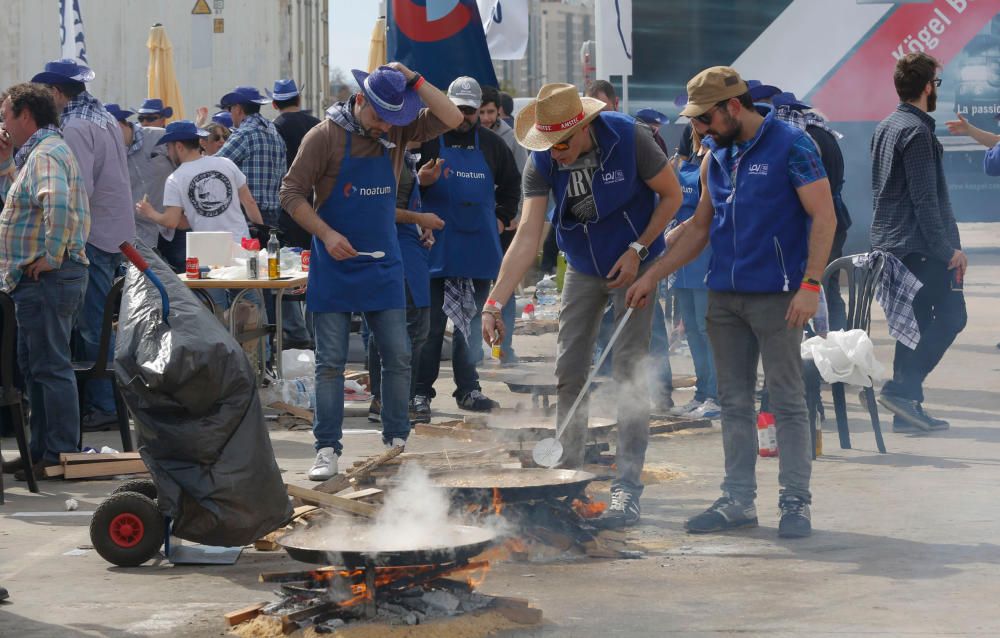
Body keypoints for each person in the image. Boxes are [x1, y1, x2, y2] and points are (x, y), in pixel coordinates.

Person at [626, 66, 837, 539]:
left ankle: (795, 502)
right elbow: (700, 226)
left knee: (786, 401)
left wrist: (811, 284)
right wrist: (653, 274)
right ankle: (738, 500)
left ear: (733, 107)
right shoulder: (713, 157)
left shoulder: (792, 145)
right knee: (734, 401)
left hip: (779, 296)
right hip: (725, 296)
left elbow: (823, 216)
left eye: (703, 118)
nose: (696, 129)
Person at [482, 83, 683, 528]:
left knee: (631, 374)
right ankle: (565, 481)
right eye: (548, 146)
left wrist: (639, 248)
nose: (556, 154)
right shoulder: (542, 161)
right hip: (582, 267)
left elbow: (673, 196)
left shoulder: (631, 139)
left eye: (563, 145)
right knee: (569, 371)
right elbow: (528, 235)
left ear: (586, 126)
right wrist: (494, 302)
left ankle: (627, 487)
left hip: (635, 262)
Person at [280, 63, 462, 480]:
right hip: (335, 265)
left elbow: (452, 117)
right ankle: (327, 447)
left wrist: (416, 79)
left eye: (392, 118)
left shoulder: (397, 132)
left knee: (398, 356)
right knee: (330, 363)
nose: (385, 126)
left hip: (383, 264)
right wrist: (326, 234)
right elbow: (290, 193)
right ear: (360, 100)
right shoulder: (323, 137)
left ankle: (396, 441)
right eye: (379, 116)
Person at [31, 58, 136, 432]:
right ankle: (108, 402)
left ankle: (104, 405)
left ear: (57, 92)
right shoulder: (104, 118)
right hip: (112, 232)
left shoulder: (75, 127)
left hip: (92, 235)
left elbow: (78, 191)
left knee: (92, 328)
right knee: (101, 325)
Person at [412, 76, 521, 418]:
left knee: (471, 325)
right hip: (434, 247)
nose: (463, 117)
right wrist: (422, 184)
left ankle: (469, 389)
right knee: (429, 327)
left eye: (469, 112)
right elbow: (406, 187)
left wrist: (502, 218)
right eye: (457, 110)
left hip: (477, 247)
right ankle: (419, 393)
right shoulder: (427, 141)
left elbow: (512, 185)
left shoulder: (492, 145)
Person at [871, 52, 967, 432]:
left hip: (894, 245)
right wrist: (948, 251)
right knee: (951, 316)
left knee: (912, 326)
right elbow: (924, 199)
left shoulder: (887, 125)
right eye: (936, 84)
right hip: (919, 248)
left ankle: (906, 412)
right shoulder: (917, 132)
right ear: (928, 87)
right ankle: (901, 390)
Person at [0, 82, 90, 479]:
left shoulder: (47, 153)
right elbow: (23, 203)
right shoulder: (39, 153)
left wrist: (52, 255)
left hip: (48, 278)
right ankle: (40, 450)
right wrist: (6, 165)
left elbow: (56, 201)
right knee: (35, 365)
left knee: (50, 366)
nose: (2, 123)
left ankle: (57, 454)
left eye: (5, 115)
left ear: (25, 115)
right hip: (34, 280)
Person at [368, 145, 443, 423]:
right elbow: (381, 208)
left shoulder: (406, 158)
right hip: (392, 246)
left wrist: (420, 221)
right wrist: (419, 219)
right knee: (401, 327)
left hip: (410, 247)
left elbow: (403, 198)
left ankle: (397, 400)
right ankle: (387, 401)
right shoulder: (385, 156)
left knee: (418, 326)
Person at [135, 120, 263, 241]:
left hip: (207, 250)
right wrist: (262, 232)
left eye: (168, 147)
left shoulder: (175, 179)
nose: (168, 153)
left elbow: (171, 221)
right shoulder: (226, 163)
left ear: (179, 146)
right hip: (241, 242)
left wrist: (149, 212)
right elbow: (249, 202)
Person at [667, 127, 719, 420]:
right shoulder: (684, 159)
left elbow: (707, 211)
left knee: (705, 329)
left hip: (703, 251)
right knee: (692, 330)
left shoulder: (713, 155)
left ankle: (716, 394)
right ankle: (701, 392)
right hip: (681, 258)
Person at [270, 78, 321, 349]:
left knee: (288, 273)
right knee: (316, 271)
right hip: (318, 208)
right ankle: (316, 329)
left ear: (275, 103)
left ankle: (296, 331)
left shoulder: (274, 128)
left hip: (288, 207)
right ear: (298, 101)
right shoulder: (317, 125)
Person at [480, 84, 526, 365]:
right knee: (477, 288)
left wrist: (515, 216)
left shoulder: (511, 139)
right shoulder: (470, 137)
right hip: (479, 224)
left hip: (505, 223)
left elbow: (523, 181)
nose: (485, 117)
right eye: (480, 111)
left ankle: (504, 347)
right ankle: (477, 347)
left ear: (499, 112)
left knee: (504, 287)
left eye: (489, 111)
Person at [105, 103, 176, 251]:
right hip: (141, 232)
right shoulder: (109, 153)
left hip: (175, 224)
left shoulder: (159, 136)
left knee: (186, 271)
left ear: (120, 124)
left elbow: (185, 167)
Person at [215, 86, 286, 228]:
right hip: (274, 213)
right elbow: (283, 177)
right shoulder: (276, 135)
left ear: (238, 109)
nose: (230, 114)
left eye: (230, 109)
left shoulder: (244, 135)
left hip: (248, 214)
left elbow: (214, 168)